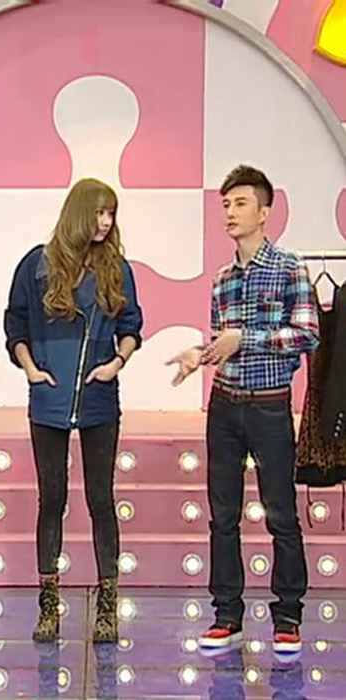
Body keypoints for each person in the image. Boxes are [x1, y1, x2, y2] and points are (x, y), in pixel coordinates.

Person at [167, 165, 319, 653]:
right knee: (223, 515)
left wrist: (244, 338)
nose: (230, 213)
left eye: (240, 204)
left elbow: (306, 334)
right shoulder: (222, 279)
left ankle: (288, 617)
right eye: (226, 205)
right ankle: (226, 615)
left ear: (264, 212)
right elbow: (222, 341)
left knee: (281, 514)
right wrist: (200, 353)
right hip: (225, 405)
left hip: (270, 406)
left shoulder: (290, 267)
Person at [4, 178, 143, 643]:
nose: (105, 222)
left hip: (99, 398)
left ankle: (107, 607)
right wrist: (29, 368)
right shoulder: (36, 265)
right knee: (53, 499)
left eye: (111, 214)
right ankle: (48, 606)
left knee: (101, 499)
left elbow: (131, 325)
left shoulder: (117, 269)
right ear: (79, 213)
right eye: (99, 212)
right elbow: (15, 322)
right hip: (48, 398)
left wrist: (117, 362)